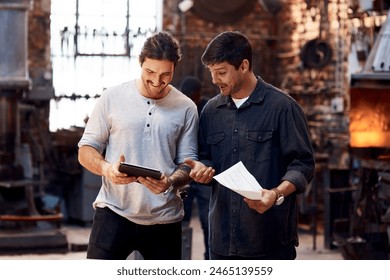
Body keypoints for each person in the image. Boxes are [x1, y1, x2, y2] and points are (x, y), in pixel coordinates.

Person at [185, 31, 315, 260]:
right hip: (222, 241)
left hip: (269, 241)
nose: (215, 80)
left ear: (243, 66)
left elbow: (303, 165)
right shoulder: (211, 111)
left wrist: (275, 194)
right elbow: (205, 156)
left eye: (221, 72)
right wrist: (202, 169)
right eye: (212, 73)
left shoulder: (283, 108)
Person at [77, 31, 199, 260]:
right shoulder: (111, 97)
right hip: (113, 212)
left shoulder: (187, 108)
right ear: (140, 62)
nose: (156, 81)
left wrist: (170, 182)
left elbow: (188, 164)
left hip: (165, 219)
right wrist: (107, 169)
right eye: (150, 72)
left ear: (175, 69)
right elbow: (85, 150)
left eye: (166, 74)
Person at [179, 76, 211, 259]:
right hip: (184, 172)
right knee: (181, 219)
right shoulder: (178, 107)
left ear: (199, 95)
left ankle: (210, 261)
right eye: (188, 98)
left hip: (205, 172)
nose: (192, 102)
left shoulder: (208, 109)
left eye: (195, 98)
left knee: (209, 222)